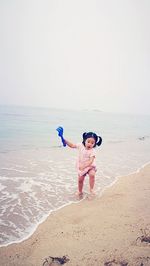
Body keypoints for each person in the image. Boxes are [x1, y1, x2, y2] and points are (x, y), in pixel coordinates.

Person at [64, 132, 102, 197]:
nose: (90, 144)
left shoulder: (93, 151)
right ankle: (80, 191)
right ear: (85, 140)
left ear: (95, 144)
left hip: (90, 166)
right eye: (88, 141)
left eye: (92, 143)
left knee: (92, 174)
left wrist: (85, 166)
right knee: (80, 180)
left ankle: (91, 189)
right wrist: (64, 140)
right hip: (81, 165)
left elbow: (91, 161)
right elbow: (72, 145)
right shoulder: (80, 145)